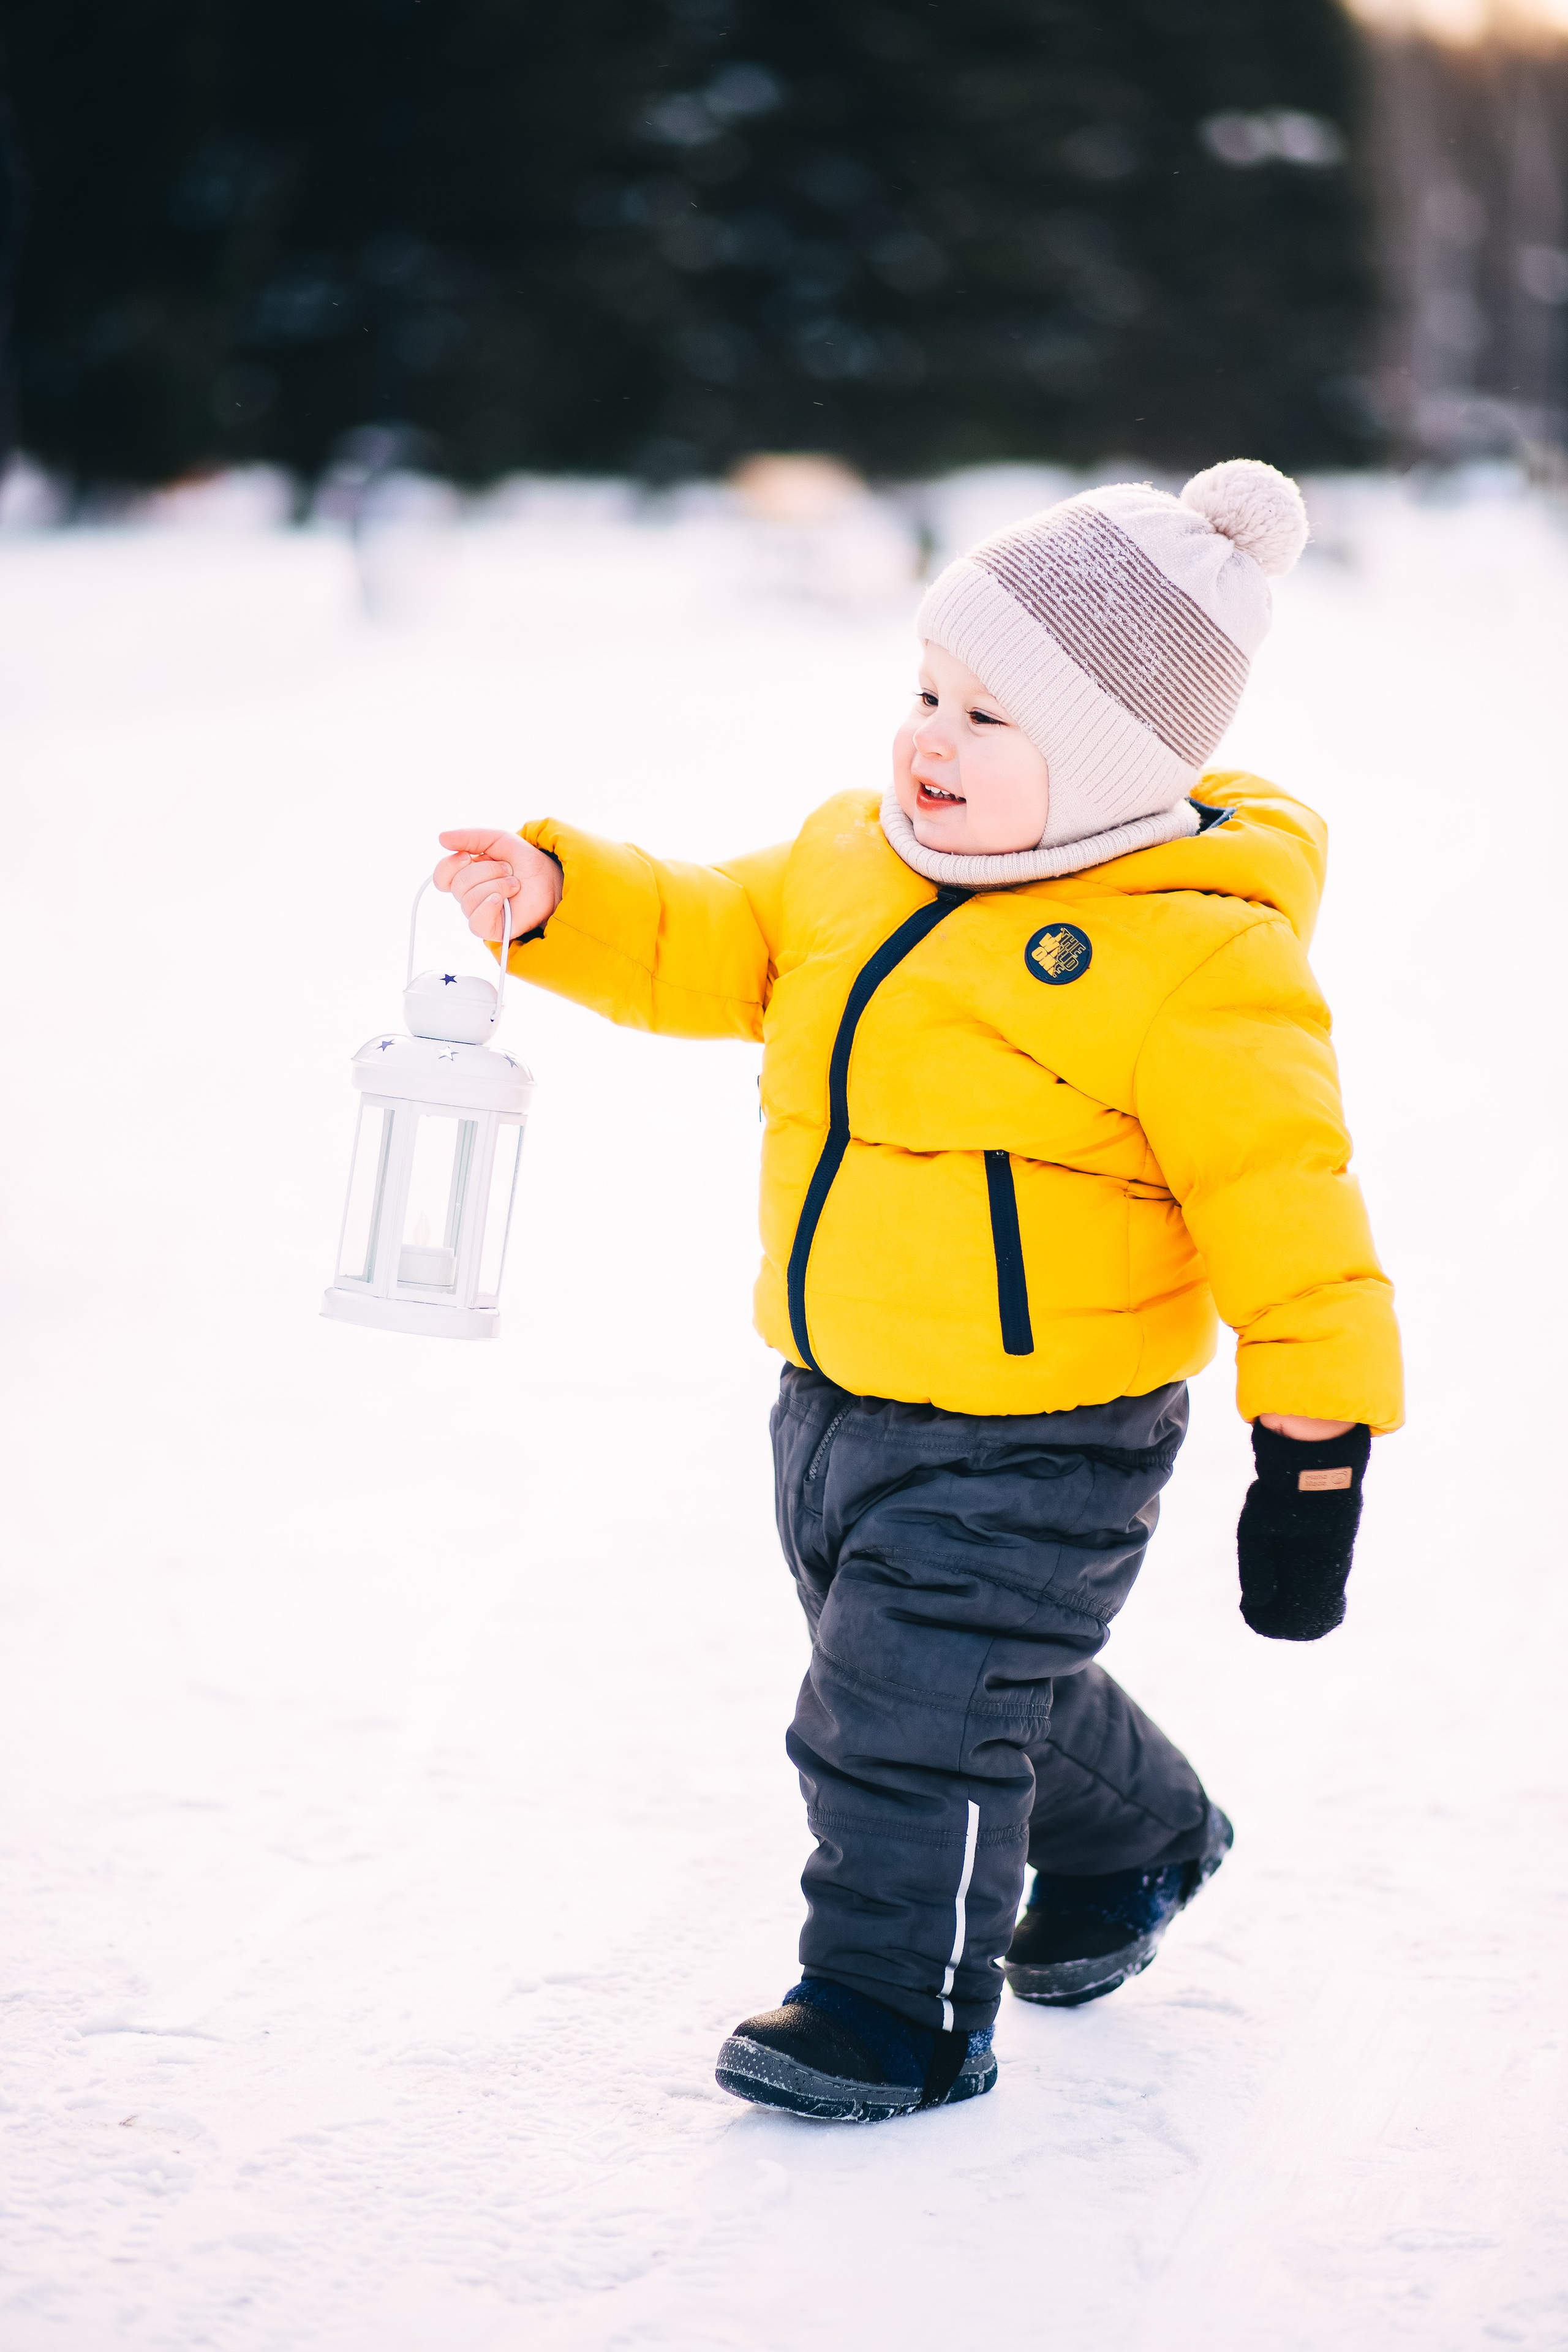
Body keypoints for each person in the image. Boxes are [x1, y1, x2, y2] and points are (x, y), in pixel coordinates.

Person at [434, 459, 1402, 2124]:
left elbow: (1287, 1205)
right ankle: (1145, 1830)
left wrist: (1315, 1453)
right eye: (929, 692)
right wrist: (560, 899)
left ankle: (895, 2013)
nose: (930, 740)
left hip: (1045, 1431)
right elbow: (703, 937)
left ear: (1110, 763)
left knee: (898, 1711)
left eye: (992, 717)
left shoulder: (1191, 954)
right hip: (835, 1397)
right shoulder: (850, 862)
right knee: (943, 1673)